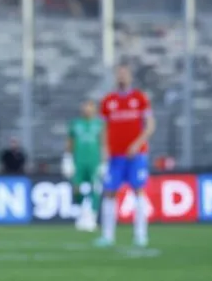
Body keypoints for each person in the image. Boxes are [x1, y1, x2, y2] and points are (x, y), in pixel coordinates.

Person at [96, 65, 155, 248]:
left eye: (125, 74)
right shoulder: (108, 101)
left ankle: (140, 235)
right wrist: (104, 148)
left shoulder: (140, 98)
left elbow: (150, 126)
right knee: (109, 192)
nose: (122, 77)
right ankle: (107, 236)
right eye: (119, 74)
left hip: (136, 155)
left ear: (130, 77)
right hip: (115, 156)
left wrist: (137, 144)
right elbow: (103, 128)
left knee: (138, 191)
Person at [62, 100, 104, 232]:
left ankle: (92, 216)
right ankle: (82, 213)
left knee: (95, 188)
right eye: (85, 107)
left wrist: (105, 162)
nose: (87, 110)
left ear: (94, 109)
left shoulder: (100, 124)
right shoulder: (75, 124)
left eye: (89, 107)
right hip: (78, 161)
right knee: (76, 188)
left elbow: (104, 143)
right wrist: (67, 159)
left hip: (94, 161)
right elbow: (70, 142)